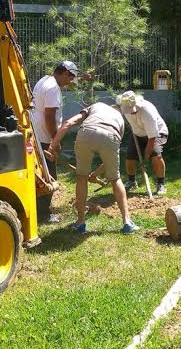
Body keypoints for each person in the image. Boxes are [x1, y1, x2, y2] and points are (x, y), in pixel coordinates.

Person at [46, 102, 139, 234]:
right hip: (111, 135)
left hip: (86, 133)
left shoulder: (96, 105)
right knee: (115, 178)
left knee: (81, 178)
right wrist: (96, 173)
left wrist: (52, 147)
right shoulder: (121, 120)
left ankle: (80, 223)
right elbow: (109, 161)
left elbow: (68, 123)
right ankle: (127, 223)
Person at [30, 61, 79, 220]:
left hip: (36, 133)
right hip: (45, 137)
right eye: (70, 79)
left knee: (38, 174)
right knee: (48, 177)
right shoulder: (53, 88)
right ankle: (43, 214)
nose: (69, 83)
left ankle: (35, 210)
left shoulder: (44, 80)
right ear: (65, 73)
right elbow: (50, 117)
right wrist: (55, 141)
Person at [116, 91, 169, 196]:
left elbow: (152, 138)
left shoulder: (147, 112)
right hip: (137, 134)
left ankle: (160, 184)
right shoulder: (123, 106)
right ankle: (132, 182)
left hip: (157, 133)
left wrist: (146, 158)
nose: (130, 112)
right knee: (130, 158)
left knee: (156, 157)